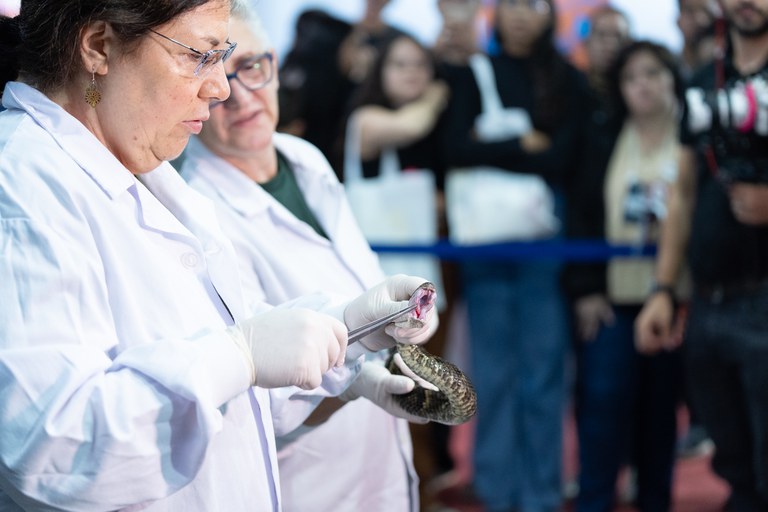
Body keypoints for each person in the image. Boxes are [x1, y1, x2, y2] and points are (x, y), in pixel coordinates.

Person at [0, 1, 437, 510]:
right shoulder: (23, 185)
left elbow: (238, 402)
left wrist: (345, 328)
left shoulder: (142, 173)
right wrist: (239, 356)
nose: (223, 87)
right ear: (99, 47)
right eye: (201, 56)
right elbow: (54, 448)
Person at [178, 3, 427, 511]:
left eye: (251, 65)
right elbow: (255, 399)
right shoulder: (193, 214)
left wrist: (403, 314)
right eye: (217, 74)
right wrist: (352, 385)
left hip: (379, 470)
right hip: (304, 482)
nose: (240, 96)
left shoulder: (303, 158)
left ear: (275, 64)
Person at [441, 0, 589, 510]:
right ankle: (497, 489)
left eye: (533, 5)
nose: (521, 15)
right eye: (511, 4)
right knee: (493, 372)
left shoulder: (567, 79)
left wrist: (495, 141)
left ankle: (542, 493)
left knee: (544, 374)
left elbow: (562, 157)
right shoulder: (473, 72)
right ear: (494, 14)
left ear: (551, 14)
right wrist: (521, 144)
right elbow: (454, 149)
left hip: (545, 242)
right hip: (484, 244)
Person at [635, 0, 768, 510]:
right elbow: (683, 191)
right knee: (733, 465)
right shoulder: (699, 80)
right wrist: (664, 290)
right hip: (708, 303)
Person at [565, 41, 686, 512]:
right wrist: (587, 287)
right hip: (611, 300)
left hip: (676, 300)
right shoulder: (603, 136)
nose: (644, 84)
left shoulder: (692, 137)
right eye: (632, 76)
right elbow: (580, 213)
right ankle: (595, 501)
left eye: (654, 73)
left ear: (671, 78)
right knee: (601, 411)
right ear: (620, 87)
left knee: (660, 418)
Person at [677, 0, 721, 79]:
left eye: (707, 12)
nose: (702, 20)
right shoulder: (670, 69)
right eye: (690, 11)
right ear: (678, 21)